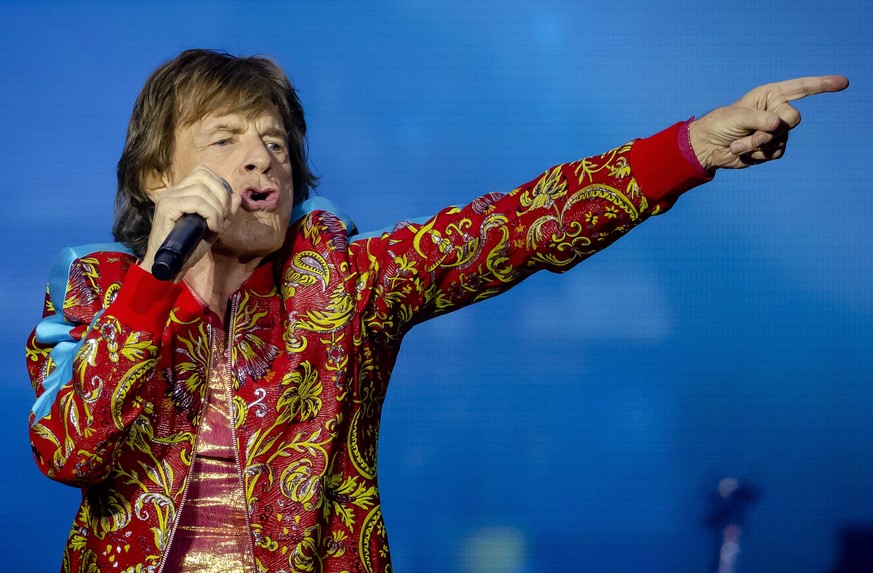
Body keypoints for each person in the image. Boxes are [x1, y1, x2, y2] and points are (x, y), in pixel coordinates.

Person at [25, 49, 847, 573]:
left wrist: (691, 147)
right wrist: (155, 285)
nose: (259, 155)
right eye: (226, 136)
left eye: (275, 141)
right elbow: (68, 450)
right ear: (152, 177)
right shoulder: (94, 295)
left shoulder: (343, 283)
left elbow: (518, 224)